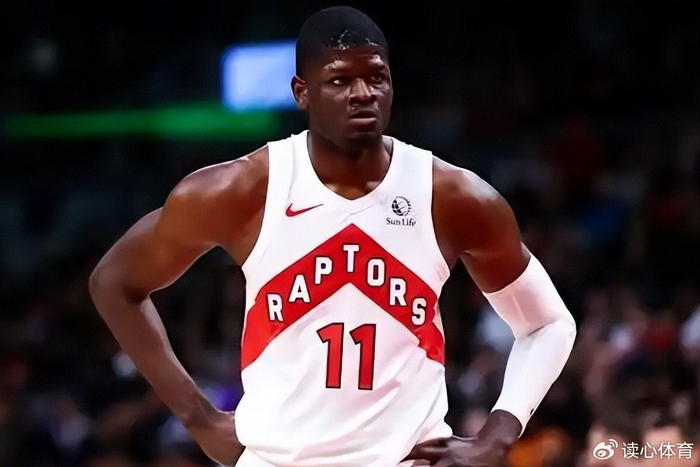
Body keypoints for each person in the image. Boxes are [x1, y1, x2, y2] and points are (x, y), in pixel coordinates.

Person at [89, 6, 576, 467]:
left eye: (376, 77)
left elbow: (549, 324)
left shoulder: (451, 196)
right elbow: (114, 282)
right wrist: (199, 417)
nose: (363, 93)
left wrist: (497, 435)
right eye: (340, 80)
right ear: (302, 92)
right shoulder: (242, 190)